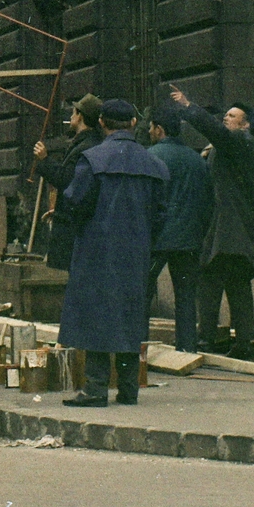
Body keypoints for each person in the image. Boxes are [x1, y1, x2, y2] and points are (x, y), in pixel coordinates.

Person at [43, 98, 168, 407]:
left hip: (96, 250)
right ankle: (128, 390)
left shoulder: (93, 159)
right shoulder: (154, 164)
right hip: (137, 252)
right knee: (130, 315)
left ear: (102, 123)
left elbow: (75, 202)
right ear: (134, 123)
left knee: (96, 315)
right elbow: (163, 213)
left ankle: (96, 389)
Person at [169, 85, 254, 358]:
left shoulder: (241, 141)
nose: (226, 118)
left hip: (229, 230)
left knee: (213, 284)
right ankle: (241, 342)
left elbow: (218, 134)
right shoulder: (231, 145)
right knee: (234, 286)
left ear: (244, 125)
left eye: (232, 116)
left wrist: (189, 106)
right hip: (228, 230)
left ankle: (210, 340)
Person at [145, 103, 213, 354]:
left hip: (157, 239)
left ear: (159, 129)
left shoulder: (150, 156)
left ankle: (139, 350)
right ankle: (187, 348)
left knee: (144, 292)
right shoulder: (197, 160)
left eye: (151, 127)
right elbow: (208, 201)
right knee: (185, 295)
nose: (150, 131)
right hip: (189, 239)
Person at [30, 93, 103, 268]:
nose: (71, 116)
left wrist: (45, 159)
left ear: (80, 116)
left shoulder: (85, 146)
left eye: (73, 112)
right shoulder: (85, 143)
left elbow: (66, 179)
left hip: (74, 228)